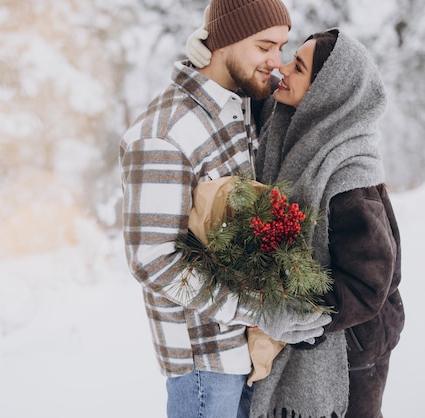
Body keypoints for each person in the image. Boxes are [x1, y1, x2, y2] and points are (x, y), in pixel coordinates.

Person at [119, 1, 333, 417]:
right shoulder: (160, 135)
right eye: (264, 46)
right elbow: (152, 260)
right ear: (223, 42)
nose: (276, 62)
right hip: (204, 364)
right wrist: (260, 311)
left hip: (250, 356)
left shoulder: (239, 104)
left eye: (282, 46)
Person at [187, 27, 405, 418]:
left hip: (351, 350)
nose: (282, 68)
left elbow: (369, 283)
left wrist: (296, 311)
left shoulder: (351, 176)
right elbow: (239, 82)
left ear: (325, 92)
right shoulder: (288, 121)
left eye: (297, 66)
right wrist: (208, 51)